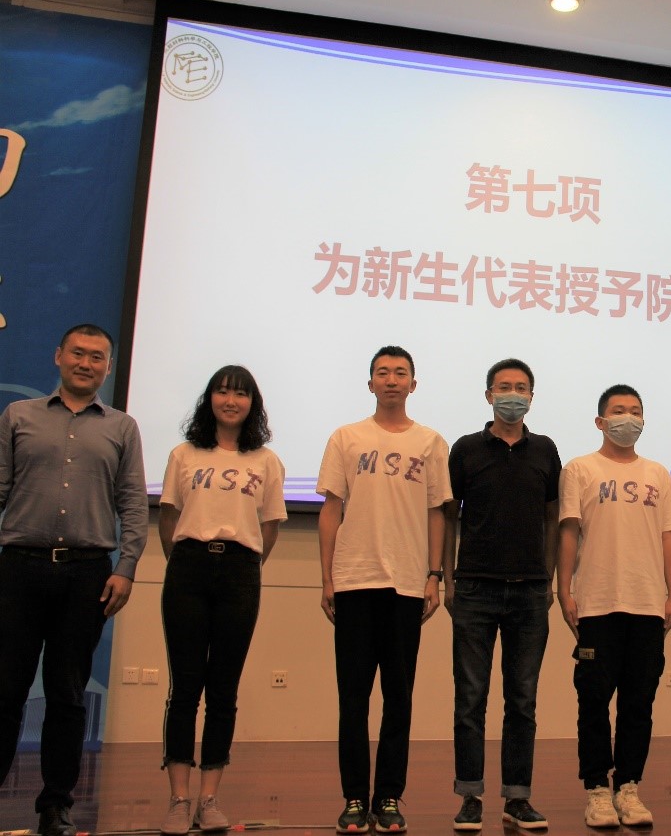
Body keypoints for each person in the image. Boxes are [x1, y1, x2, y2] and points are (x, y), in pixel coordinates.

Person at [0, 323, 147, 836]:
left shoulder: (122, 427)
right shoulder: (18, 416)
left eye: (97, 357)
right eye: (78, 353)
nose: (86, 363)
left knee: (67, 694)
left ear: (108, 366)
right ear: (59, 356)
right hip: (19, 567)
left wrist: (127, 568)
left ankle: (55, 805)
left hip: (87, 573)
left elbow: (133, 503)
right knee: (6, 689)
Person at [317, 346, 451, 833]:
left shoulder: (431, 442)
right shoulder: (346, 437)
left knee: (399, 697)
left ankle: (389, 797)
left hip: (407, 585)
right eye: (382, 372)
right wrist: (328, 577)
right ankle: (355, 798)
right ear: (370, 382)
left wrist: (434, 575)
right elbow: (331, 509)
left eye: (400, 373)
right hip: (354, 580)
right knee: (352, 698)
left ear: (413, 384)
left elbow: (437, 512)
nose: (391, 380)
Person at [157, 366, 287, 834]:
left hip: (240, 572)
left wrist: (241, 566)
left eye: (240, 394)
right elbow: (168, 520)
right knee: (185, 688)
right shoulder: (184, 454)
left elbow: (269, 528)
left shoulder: (266, 461)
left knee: (223, 690)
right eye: (223, 391)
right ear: (209, 398)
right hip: (188, 569)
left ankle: (209, 799)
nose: (231, 401)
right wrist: (186, 563)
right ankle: (178, 799)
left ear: (253, 403)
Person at [557, 384, 671, 828]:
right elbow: (569, 532)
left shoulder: (658, 473)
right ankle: (597, 789)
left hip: (647, 603)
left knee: (639, 701)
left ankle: (628, 787)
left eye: (635, 411)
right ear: (600, 421)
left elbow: (668, 538)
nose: (627, 418)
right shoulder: (580, 468)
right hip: (596, 602)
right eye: (618, 411)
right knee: (593, 699)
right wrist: (564, 590)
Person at [444, 358, 560, 831]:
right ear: (488, 394)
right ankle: (470, 796)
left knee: (523, 700)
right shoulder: (465, 449)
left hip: (530, 592)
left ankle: (517, 798)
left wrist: (549, 577)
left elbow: (553, 516)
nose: (513, 394)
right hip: (474, 588)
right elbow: (449, 516)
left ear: (532, 396)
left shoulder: (546, 450)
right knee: (470, 699)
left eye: (521, 387)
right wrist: (447, 578)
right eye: (504, 387)